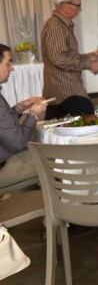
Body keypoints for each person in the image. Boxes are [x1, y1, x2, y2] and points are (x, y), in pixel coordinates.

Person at [40, 0, 98, 119]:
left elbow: (66, 55)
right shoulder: (56, 27)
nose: (79, 10)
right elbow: (59, 59)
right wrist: (89, 65)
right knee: (86, 122)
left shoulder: (61, 25)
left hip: (63, 91)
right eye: (76, 5)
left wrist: (91, 56)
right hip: (66, 92)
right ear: (62, 4)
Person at [0, 44, 47, 191]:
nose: (12, 68)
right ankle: (60, 207)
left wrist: (20, 107)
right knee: (55, 158)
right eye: (8, 63)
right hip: (3, 167)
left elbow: (2, 121)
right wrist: (33, 115)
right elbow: (18, 142)